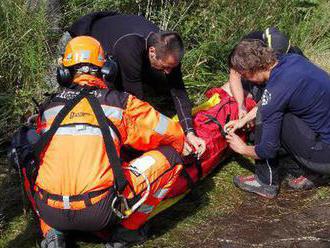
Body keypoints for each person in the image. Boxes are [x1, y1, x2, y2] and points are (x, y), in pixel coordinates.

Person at [33, 36, 187, 248]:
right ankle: (127, 231)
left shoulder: (48, 110)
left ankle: (51, 233)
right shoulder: (122, 105)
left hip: (50, 211)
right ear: (107, 70)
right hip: (100, 211)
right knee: (172, 156)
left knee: (29, 160)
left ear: (64, 73)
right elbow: (173, 134)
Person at [66, 11, 206, 158]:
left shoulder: (166, 50)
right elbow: (136, 106)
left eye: (171, 66)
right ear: (152, 52)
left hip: (119, 38)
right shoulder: (130, 48)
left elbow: (179, 91)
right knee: (108, 96)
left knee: (162, 82)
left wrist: (189, 132)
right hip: (84, 39)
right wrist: (160, 140)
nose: (168, 71)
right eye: (165, 66)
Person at [224, 39, 330, 198]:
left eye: (245, 76)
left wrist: (242, 149)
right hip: (324, 137)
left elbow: (268, 149)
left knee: (265, 114)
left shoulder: (277, 88)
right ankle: (316, 172)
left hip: (326, 158)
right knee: (271, 109)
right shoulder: (292, 60)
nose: (248, 81)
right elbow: (273, 97)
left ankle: (265, 182)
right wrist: (243, 119)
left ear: (251, 70)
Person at [228, 27, 305, 119]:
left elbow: (270, 97)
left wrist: (247, 118)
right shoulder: (244, 49)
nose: (243, 76)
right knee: (228, 88)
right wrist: (241, 106)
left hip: (288, 81)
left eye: (245, 74)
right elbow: (234, 75)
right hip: (266, 77)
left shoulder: (278, 59)